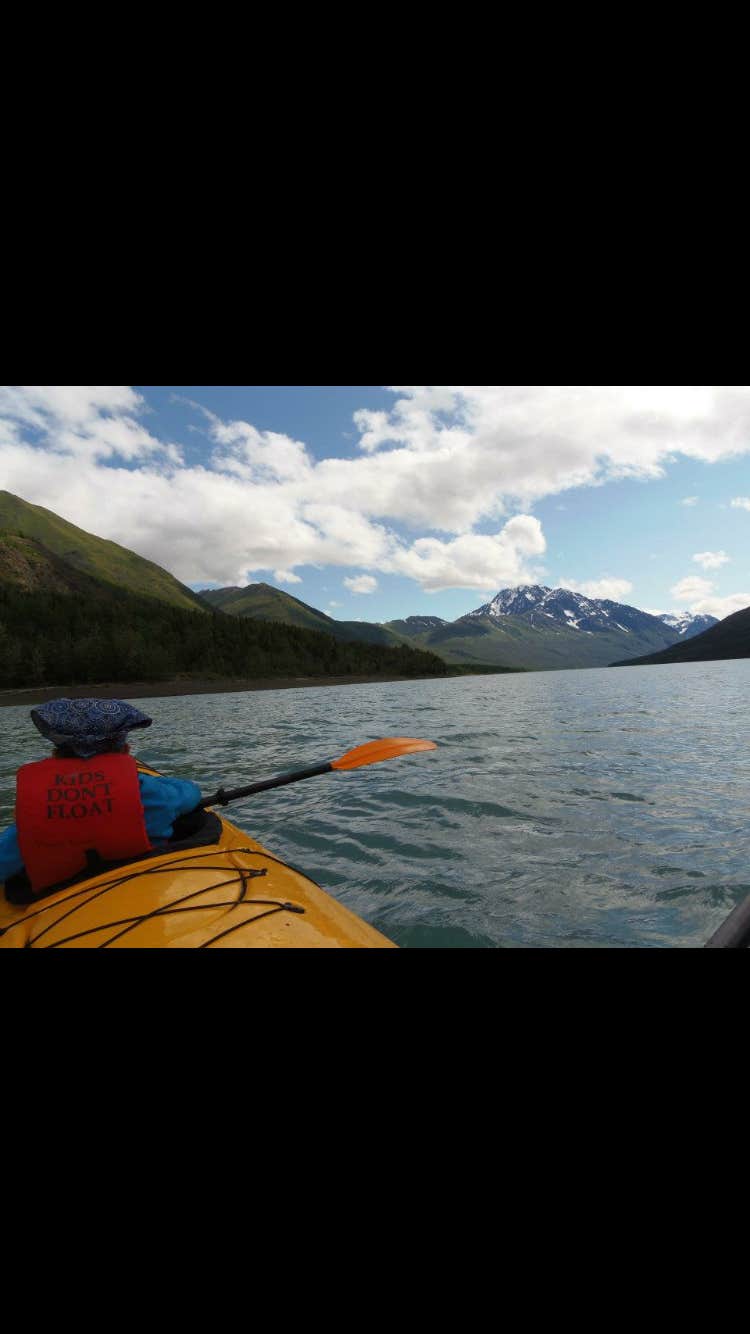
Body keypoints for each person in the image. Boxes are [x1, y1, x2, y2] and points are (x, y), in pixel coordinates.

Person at [0, 698, 203, 899]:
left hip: (67, 904)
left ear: (55, 755)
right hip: (145, 888)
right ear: (126, 751)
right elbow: (191, 793)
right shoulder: (149, 791)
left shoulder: (36, 811)